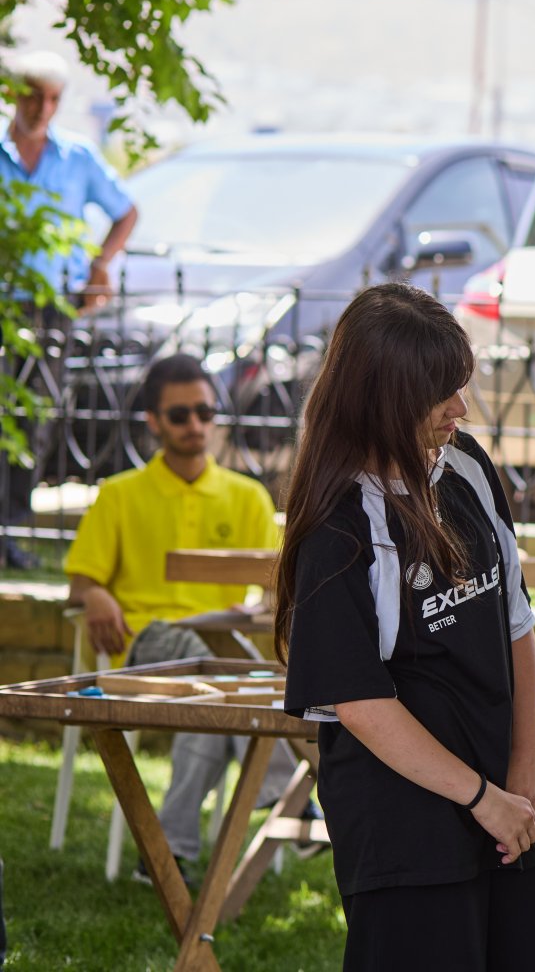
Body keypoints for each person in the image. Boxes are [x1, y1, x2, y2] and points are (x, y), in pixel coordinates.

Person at [275, 283, 535, 971]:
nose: (460, 410)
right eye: (441, 395)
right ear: (384, 400)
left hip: (502, 802)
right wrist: (478, 797)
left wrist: (529, 756)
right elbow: (362, 703)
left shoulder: (467, 468)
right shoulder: (338, 530)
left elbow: (514, 619)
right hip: (406, 829)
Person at [63, 353, 293, 884]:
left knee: (212, 693)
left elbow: (269, 593)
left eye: (206, 413)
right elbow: (81, 578)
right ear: (153, 421)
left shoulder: (250, 497)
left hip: (218, 649)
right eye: (181, 414)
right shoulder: (119, 494)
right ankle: (288, 792)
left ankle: (164, 854)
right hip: (144, 646)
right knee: (223, 674)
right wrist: (95, 594)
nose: (196, 426)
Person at [1, 51, 139, 569]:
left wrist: (100, 266)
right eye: (33, 94)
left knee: (34, 416)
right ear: (15, 94)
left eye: (53, 98)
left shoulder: (77, 156)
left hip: (52, 307)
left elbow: (125, 212)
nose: (42, 107)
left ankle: (11, 532)